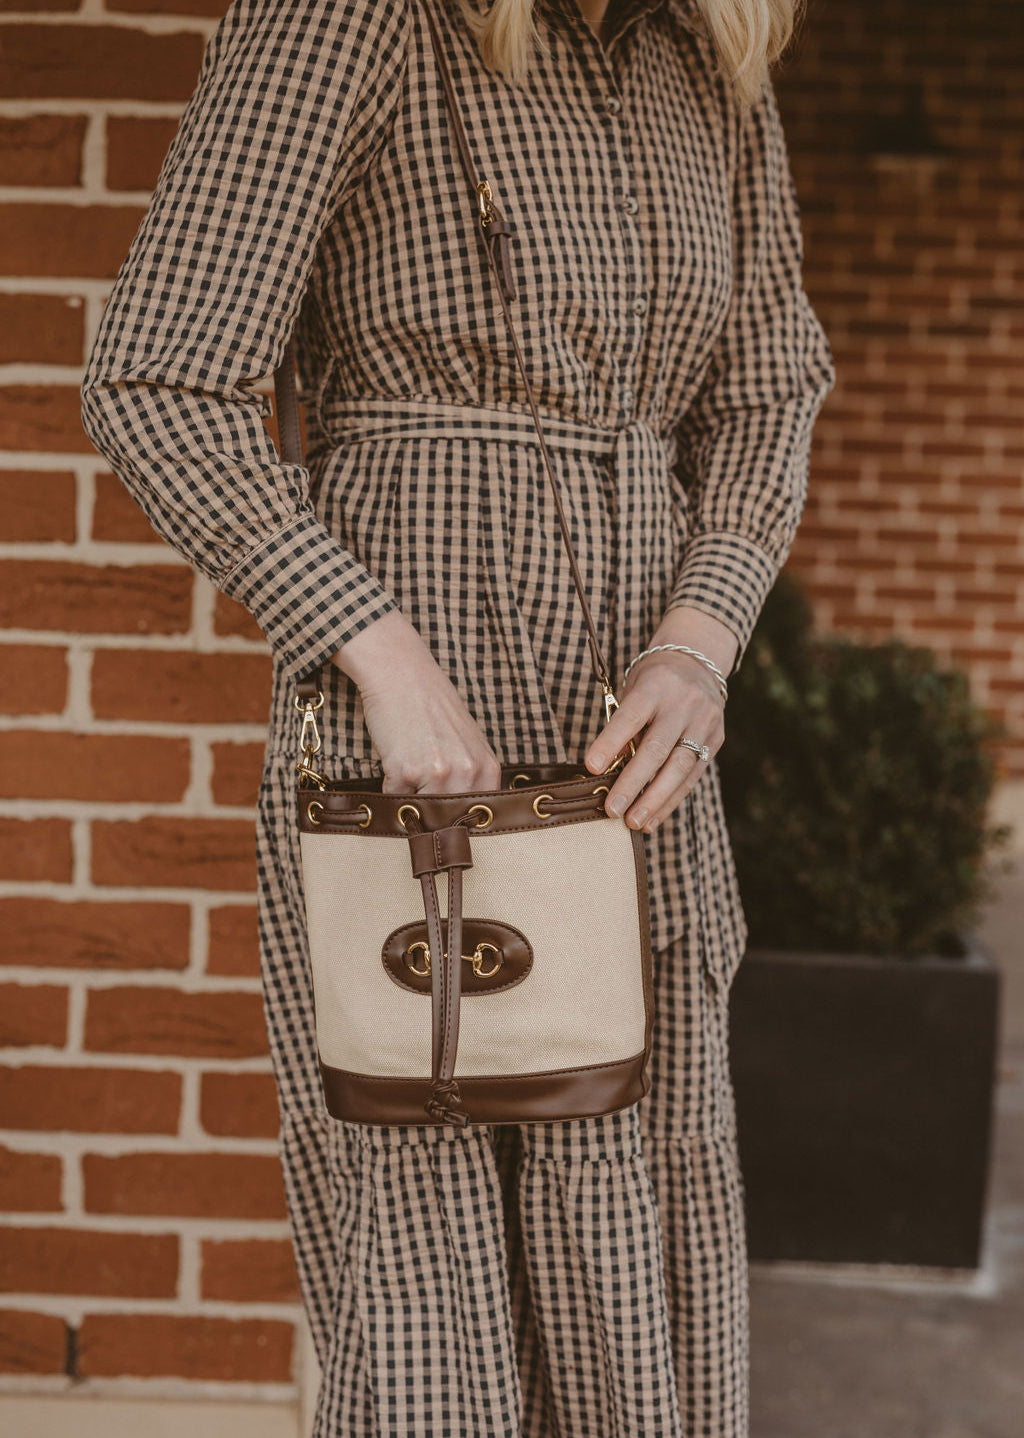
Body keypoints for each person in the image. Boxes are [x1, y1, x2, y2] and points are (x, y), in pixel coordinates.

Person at [80, 0, 836, 1432]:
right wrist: (373, 649)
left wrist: (704, 632)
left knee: (639, 1204)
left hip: (638, 752)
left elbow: (768, 385)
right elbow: (158, 376)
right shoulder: (352, 18)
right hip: (421, 742)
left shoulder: (707, 59)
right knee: (429, 1249)